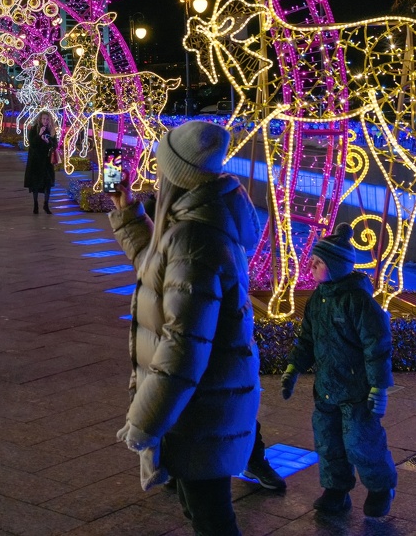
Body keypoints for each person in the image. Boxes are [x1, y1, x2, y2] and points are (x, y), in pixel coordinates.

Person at [109, 120, 261, 536]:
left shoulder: (194, 236)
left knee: (211, 517)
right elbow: (161, 277)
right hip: (207, 401)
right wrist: (129, 218)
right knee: (202, 509)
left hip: (202, 407)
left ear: (175, 173)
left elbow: (183, 346)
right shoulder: (199, 220)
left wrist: (144, 421)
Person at [281, 223, 396, 518]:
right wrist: (294, 367)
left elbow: (377, 346)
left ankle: (380, 487)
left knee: (362, 442)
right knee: (328, 442)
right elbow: (307, 338)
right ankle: (336, 489)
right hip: (327, 389)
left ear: (335, 265)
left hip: (357, 392)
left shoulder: (358, 302)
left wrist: (379, 387)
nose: (312, 266)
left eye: (318, 262)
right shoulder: (317, 301)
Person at [23, 110, 57, 214]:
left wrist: (49, 141)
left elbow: (54, 145)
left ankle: (46, 204)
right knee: (36, 184)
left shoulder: (51, 130)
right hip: (36, 160)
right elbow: (32, 143)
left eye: (47, 119)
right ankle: (36, 204)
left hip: (47, 161)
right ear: (40, 119)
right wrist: (39, 135)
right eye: (43, 119)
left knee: (48, 183)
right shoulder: (34, 128)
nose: (45, 121)